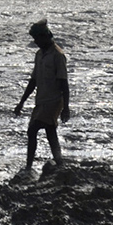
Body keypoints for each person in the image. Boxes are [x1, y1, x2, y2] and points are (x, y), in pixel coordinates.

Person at [13, 20, 70, 176]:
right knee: (50, 132)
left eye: (37, 39)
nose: (35, 42)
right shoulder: (39, 55)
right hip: (41, 101)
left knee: (33, 130)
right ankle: (60, 164)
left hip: (54, 101)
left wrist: (66, 108)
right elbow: (34, 81)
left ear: (45, 36)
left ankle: (29, 167)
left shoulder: (58, 55)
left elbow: (64, 83)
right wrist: (21, 103)